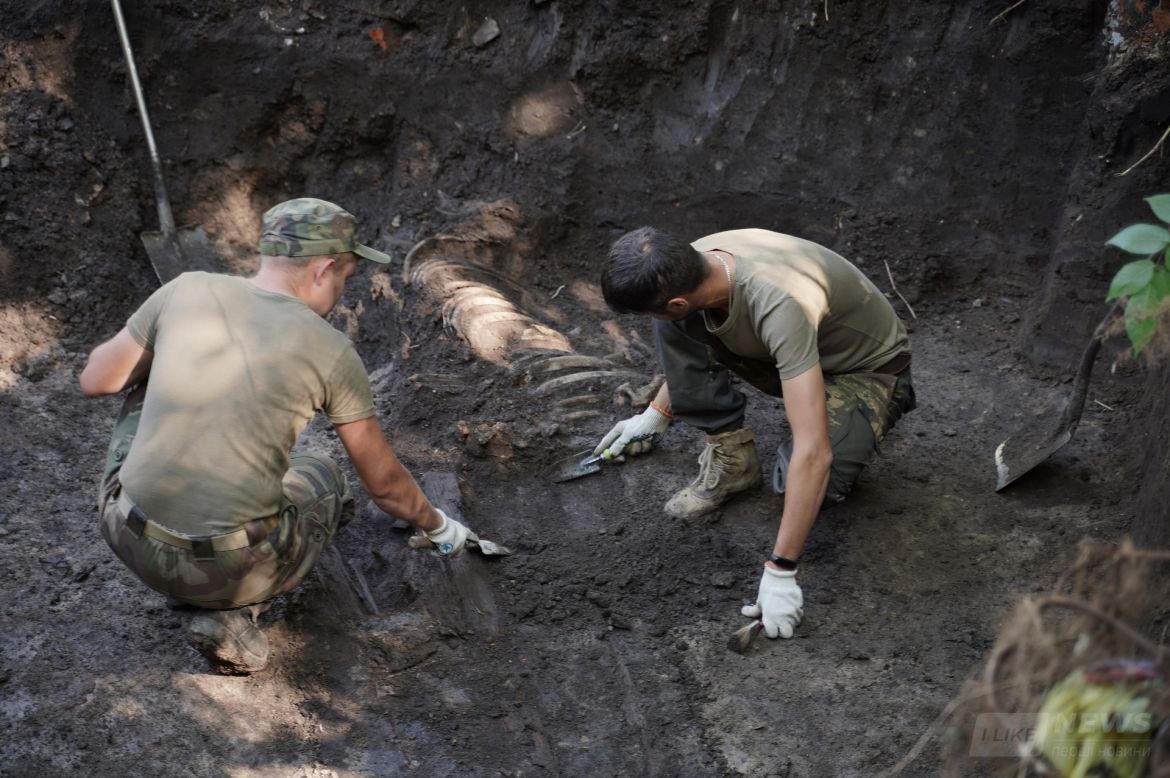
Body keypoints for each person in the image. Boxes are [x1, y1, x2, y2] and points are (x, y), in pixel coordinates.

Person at [80, 198, 475, 674]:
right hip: (227, 572)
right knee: (324, 473)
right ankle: (237, 614)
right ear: (324, 269)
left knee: (140, 379)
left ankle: (185, 553)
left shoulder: (186, 290)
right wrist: (440, 527)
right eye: (345, 280)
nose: (340, 292)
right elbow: (385, 485)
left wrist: (163, 345)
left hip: (128, 539)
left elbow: (96, 380)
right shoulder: (330, 350)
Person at [595, 227, 916, 641]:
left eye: (657, 309)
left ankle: (861, 419)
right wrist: (654, 414)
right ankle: (733, 459)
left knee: (809, 481)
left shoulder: (779, 302)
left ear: (677, 299)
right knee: (674, 324)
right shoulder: (686, 263)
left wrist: (781, 570)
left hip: (864, 369)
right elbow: (683, 328)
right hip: (789, 349)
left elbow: (814, 454)